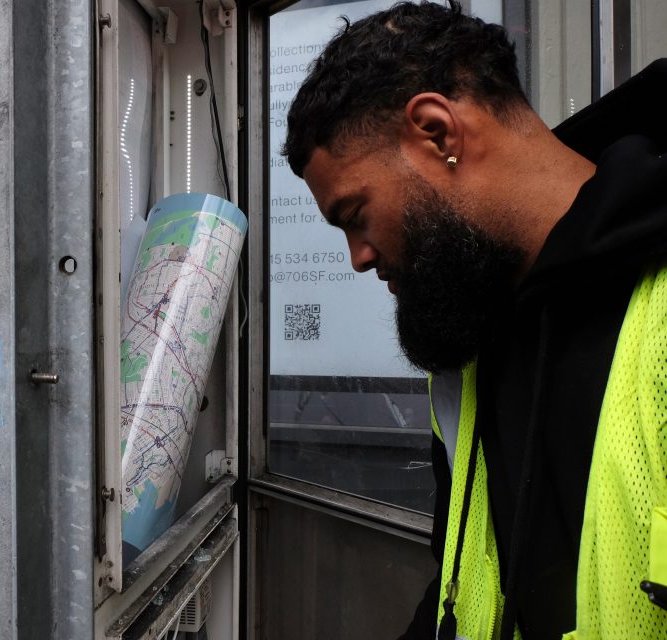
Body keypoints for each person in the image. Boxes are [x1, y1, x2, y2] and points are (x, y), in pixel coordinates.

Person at [282, 1, 667, 638]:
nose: (358, 258)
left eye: (355, 214)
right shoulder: (471, 345)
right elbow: (466, 587)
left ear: (437, 132)